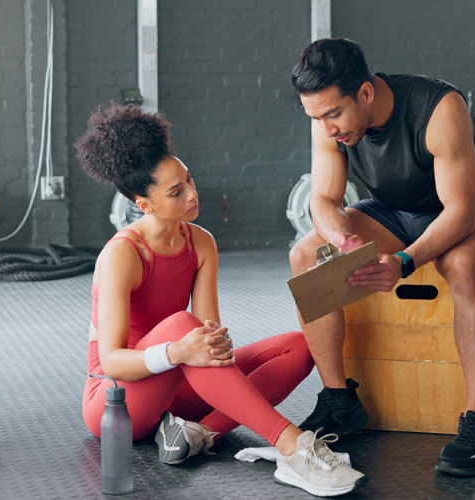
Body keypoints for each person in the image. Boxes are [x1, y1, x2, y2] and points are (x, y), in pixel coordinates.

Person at [76, 103, 369, 496]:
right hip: (117, 401)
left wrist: (209, 344)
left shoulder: (200, 243)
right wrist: (179, 350)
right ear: (144, 205)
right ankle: (292, 448)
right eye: (177, 192)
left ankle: (198, 434)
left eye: (189, 180)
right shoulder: (122, 255)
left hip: (177, 386)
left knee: (300, 347)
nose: (193, 195)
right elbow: (112, 360)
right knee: (183, 326)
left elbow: (208, 331)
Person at [288, 38, 475, 477]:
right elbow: (325, 199)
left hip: (458, 211)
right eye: (316, 117)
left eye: (333, 114)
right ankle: (339, 400)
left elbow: (460, 211)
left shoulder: (439, 106)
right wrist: (342, 241)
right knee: (307, 252)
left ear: (365, 93)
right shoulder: (326, 119)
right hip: (391, 213)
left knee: (461, 266)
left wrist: (406, 261)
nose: (327, 128)